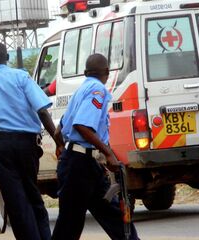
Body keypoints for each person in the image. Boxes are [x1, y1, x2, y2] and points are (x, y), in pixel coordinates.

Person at [0, 42, 65, 240]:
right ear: (7, 57)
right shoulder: (21, 77)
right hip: (27, 144)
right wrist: (59, 142)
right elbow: (42, 111)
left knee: (17, 204)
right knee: (33, 196)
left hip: (2, 145)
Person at [52, 54, 139, 240]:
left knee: (114, 214)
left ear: (85, 73)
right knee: (70, 224)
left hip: (84, 163)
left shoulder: (81, 90)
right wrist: (108, 153)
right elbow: (81, 125)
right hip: (79, 166)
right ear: (107, 72)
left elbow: (59, 131)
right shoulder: (97, 90)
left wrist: (62, 149)